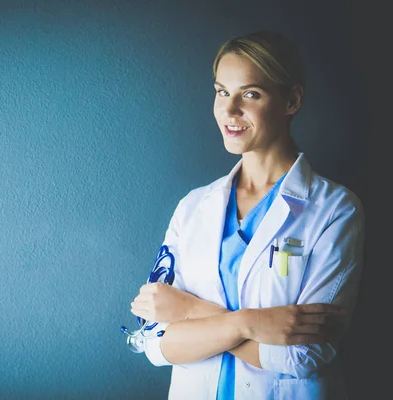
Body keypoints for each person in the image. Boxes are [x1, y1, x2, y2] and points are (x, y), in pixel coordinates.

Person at [128, 30, 364, 399]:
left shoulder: (334, 209)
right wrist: (249, 323)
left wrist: (190, 312)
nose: (229, 109)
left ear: (292, 100)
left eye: (250, 94)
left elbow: (306, 353)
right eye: (222, 91)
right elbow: (154, 342)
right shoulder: (194, 207)